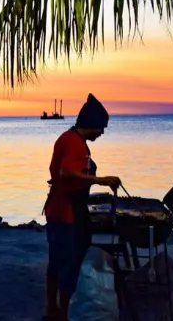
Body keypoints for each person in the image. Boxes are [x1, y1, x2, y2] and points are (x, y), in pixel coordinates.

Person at [43, 94, 121, 321]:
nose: (102, 133)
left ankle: (57, 310)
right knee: (65, 263)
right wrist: (100, 180)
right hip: (64, 210)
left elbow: (75, 175)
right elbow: (65, 173)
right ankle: (60, 312)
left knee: (60, 261)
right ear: (92, 124)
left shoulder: (76, 142)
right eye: (101, 128)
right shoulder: (73, 143)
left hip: (70, 208)